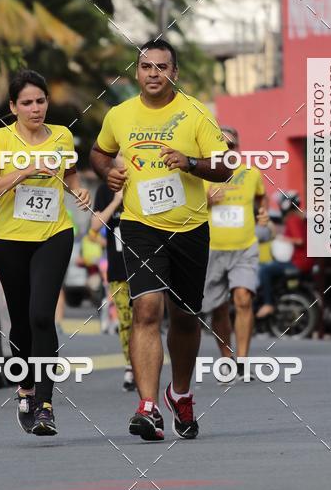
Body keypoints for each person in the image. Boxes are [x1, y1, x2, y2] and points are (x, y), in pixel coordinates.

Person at [90, 39, 230, 441]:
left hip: (188, 228)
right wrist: (107, 173)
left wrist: (189, 163)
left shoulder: (194, 113)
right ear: (137, 72)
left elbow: (225, 166)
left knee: (185, 317)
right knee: (147, 309)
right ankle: (147, 407)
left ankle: (180, 394)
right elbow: (99, 153)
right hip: (139, 225)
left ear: (175, 72)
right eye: (147, 67)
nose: (154, 74)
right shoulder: (120, 115)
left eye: (162, 67)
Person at [0, 69, 91, 436]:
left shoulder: (61, 136)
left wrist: (78, 191)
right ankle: (25, 387)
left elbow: (71, 173)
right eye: (26, 102)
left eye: (40, 101)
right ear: (13, 106)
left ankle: (45, 403)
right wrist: (24, 171)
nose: (35, 108)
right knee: (22, 322)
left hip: (54, 234)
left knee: (42, 315)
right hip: (10, 239)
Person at [202, 126, 269, 381]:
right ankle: (226, 358)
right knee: (218, 307)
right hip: (212, 249)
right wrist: (206, 201)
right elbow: (189, 206)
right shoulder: (203, 175)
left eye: (231, 146)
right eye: (222, 146)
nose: (226, 151)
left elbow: (262, 198)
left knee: (243, 299)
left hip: (244, 247)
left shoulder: (251, 174)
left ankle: (242, 360)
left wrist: (262, 214)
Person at [91, 156, 135, 390]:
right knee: (125, 320)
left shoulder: (140, 184)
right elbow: (95, 225)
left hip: (145, 265)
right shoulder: (104, 190)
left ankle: (144, 364)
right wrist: (116, 201)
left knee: (145, 317)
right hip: (118, 267)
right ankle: (131, 366)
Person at [257, 191, 314, 318]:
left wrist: (283, 238)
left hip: (298, 262)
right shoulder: (300, 218)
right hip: (304, 261)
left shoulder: (293, 219)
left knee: (264, 270)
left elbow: (299, 240)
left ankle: (268, 304)